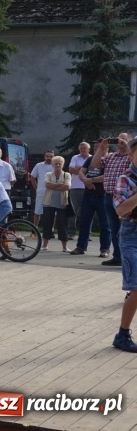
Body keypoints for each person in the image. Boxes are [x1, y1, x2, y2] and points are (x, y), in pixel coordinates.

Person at [110, 136, 137, 353]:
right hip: (132, 235)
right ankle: (122, 335)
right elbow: (120, 209)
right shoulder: (125, 179)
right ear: (131, 155)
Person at [91, 133, 132, 267]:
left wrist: (127, 146)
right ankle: (117, 257)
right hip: (109, 196)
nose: (119, 141)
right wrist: (101, 148)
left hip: (125, 197)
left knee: (126, 228)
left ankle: (127, 257)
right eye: (118, 138)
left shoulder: (131, 156)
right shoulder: (111, 156)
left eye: (123, 139)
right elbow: (94, 164)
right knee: (114, 228)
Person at [70, 140, 111, 257]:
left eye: (99, 147)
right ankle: (81, 247)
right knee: (84, 221)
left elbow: (108, 176)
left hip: (102, 195)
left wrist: (91, 180)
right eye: (95, 147)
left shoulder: (109, 160)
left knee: (105, 224)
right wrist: (86, 181)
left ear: (106, 148)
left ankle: (104, 249)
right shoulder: (90, 159)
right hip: (88, 195)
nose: (97, 149)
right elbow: (81, 172)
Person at [41, 156, 71, 252]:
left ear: (63, 164)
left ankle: (64, 247)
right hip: (48, 202)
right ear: (52, 165)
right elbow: (47, 184)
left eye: (59, 163)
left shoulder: (67, 175)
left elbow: (67, 186)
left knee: (62, 224)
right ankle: (45, 245)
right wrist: (59, 184)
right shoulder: (48, 174)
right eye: (55, 163)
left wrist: (53, 186)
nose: (57, 165)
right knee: (47, 224)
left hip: (62, 203)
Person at [67, 142, 91, 239]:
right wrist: (84, 170)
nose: (83, 150)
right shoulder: (75, 157)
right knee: (73, 211)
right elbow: (71, 170)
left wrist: (79, 169)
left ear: (88, 149)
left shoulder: (92, 158)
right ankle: (71, 233)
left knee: (87, 212)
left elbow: (92, 170)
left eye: (84, 148)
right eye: (81, 148)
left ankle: (86, 233)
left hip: (87, 187)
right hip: (75, 187)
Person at [30, 150, 55, 227]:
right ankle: (35, 229)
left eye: (51, 156)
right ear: (44, 156)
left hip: (52, 192)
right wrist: (36, 188)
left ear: (53, 157)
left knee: (53, 213)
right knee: (37, 212)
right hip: (41, 192)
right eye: (47, 156)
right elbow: (32, 177)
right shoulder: (39, 165)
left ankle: (51, 229)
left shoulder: (56, 166)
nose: (49, 158)